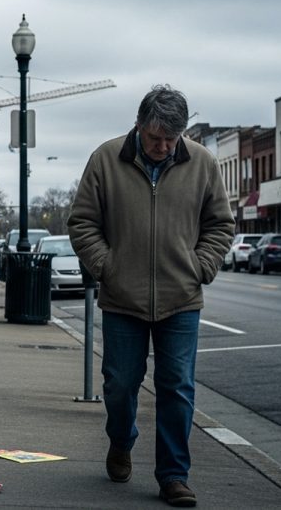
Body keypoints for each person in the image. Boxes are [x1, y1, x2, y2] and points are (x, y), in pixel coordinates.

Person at [68, 85, 233, 508]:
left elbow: (220, 225)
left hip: (181, 299)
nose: (162, 147)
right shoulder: (106, 159)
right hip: (123, 299)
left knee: (177, 387)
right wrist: (109, 267)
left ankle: (174, 474)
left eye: (171, 140)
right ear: (139, 125)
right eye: (155, 137)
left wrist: (201, 267)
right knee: (120, 385)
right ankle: (121, 441)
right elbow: (82, 222)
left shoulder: (203, 164)